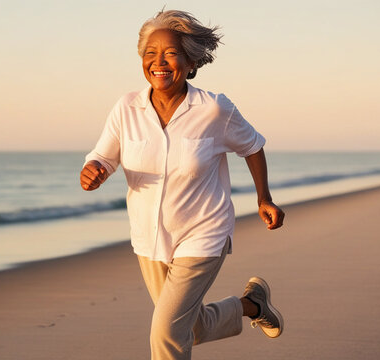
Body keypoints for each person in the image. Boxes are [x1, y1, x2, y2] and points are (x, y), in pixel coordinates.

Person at [79, 9, 285, 360]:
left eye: (170, 53)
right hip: (150, 238)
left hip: (203, 233)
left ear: (191, 62)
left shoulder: (215, 109)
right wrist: (93, 169)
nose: (158, 62)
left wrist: (264, 197)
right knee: (189, 327)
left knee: (166, 332)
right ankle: (252, 305)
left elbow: (252, 145)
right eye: (150, 53)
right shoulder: (126, 108)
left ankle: (251, 305)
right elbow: (104, 156)